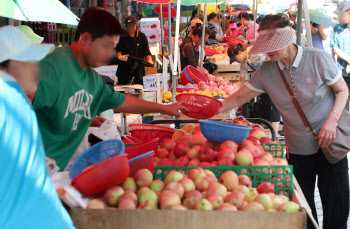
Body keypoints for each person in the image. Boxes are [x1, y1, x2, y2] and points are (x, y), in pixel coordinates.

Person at [220, 14, 349, 229]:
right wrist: (209, 110)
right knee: (302, 211)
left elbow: (343, 90)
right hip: (298, 150)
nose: (268, 52)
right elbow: (238, 97)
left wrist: (331, 122)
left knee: (336, 207)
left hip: (330, 142)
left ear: (287, 41)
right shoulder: (267, 71)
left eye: (273, 46)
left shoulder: (317, 58)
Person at [31, 7, 184, 171]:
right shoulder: (55, 67)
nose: (111, 54)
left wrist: (165, 109)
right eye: (107, 46)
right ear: (85, 39)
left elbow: (122, 101)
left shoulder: (92, 80)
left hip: (55, 172)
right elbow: (19, 103)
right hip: (30, 170)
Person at [0, 26, 74, 229]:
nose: (37, 70)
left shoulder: (14, 98)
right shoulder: (9, 98)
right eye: (29, 61)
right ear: (10, 64)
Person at [227, 44, 280, 136]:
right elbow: (241, 82)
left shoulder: (254, 50)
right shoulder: (244, 65)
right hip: (264, 85)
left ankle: (274, 137)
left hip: (274, 81)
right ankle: (271, 135)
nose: (236, 62)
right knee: (267, 109)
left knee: (273, 110)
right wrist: (232, 89)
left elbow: (271, 57)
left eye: (235, 59)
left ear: (239, 52)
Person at [115, 15, 153, 85]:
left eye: (132, 26)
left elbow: (147, 52)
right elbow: (118, 51)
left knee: (139, 92)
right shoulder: (122, 36)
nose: (130, 28)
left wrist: (149, 61)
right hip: (124, 71)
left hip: (139, 72)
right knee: (124, 92)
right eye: (128, 27)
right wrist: (120, 57)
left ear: (136, 25)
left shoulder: (142, 37)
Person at [330, 1, 350, 111]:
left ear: (349, 13)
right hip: (342, 73)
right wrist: (348, 60)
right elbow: (335, 47)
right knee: (343, 107)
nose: (337, 16)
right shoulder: (337, 27)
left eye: (339, 13)